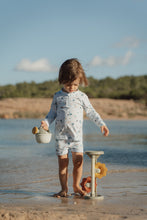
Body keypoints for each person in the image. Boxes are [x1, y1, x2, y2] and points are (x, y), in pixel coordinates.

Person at [41, 58, 109, 197]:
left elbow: (91, 112)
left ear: (80, 81)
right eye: (68, 84)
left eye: (75, 84)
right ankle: (64, 189)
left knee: (78, 163)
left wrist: (102, 124)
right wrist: (46, 123)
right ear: (62, 80)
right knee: (63, 166)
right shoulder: (58, 96)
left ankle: (76, 186)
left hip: (76, 137)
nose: (71, 87)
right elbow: (52, 114)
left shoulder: (82, 96)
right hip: (61, 137)